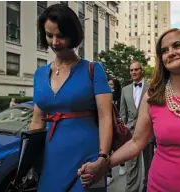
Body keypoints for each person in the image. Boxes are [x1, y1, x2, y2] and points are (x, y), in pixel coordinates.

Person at [80, 28, 180, 192]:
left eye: (177, 46)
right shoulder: (152, 97)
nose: (170, 53)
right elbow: (136, 142)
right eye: (164, 50)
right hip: (159, 187)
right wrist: (103, 164)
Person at [29, 4, 112, 192]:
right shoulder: (39, 73)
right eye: (49, 35)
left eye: (61, 35)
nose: (55, 42)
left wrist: (103, 158)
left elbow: (105, 116)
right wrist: (29, 160)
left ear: (73, 34)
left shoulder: (93, 69)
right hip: (51, 160)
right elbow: (36, 122)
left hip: (88, 157)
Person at [120, 60, 154, 192]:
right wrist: (124, 132)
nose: (133, 72)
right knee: (131, 165)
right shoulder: (125, 90)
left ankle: (147, 188)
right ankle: (131, 189)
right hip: (130, 133)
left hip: (148, 133)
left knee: (148, 163)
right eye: (131, 70)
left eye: (136, 69)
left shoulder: (152, 88)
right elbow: (123, 113)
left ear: (142, 70)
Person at [107, 77, 126, 185]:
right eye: (108, 84)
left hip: (117, 123)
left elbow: (121, 111)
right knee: (107, 149)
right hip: (107, 124)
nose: (110, 87)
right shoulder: (104, 95)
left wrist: (120, 123)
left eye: (112, 85)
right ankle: (109, 174)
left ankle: (122, 164)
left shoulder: (119, 96)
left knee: (119, 146)